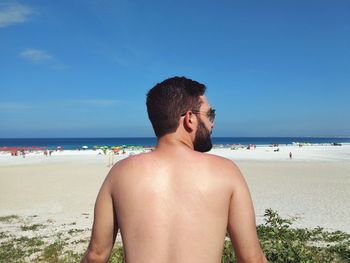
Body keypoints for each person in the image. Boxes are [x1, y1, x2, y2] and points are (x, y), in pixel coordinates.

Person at [81, 77, 267, 263]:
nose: (213, 124)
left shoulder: (120, 173)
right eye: (210, 115)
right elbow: (251, 259)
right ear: (189, 119)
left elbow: (96, 256)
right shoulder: (226, 172)